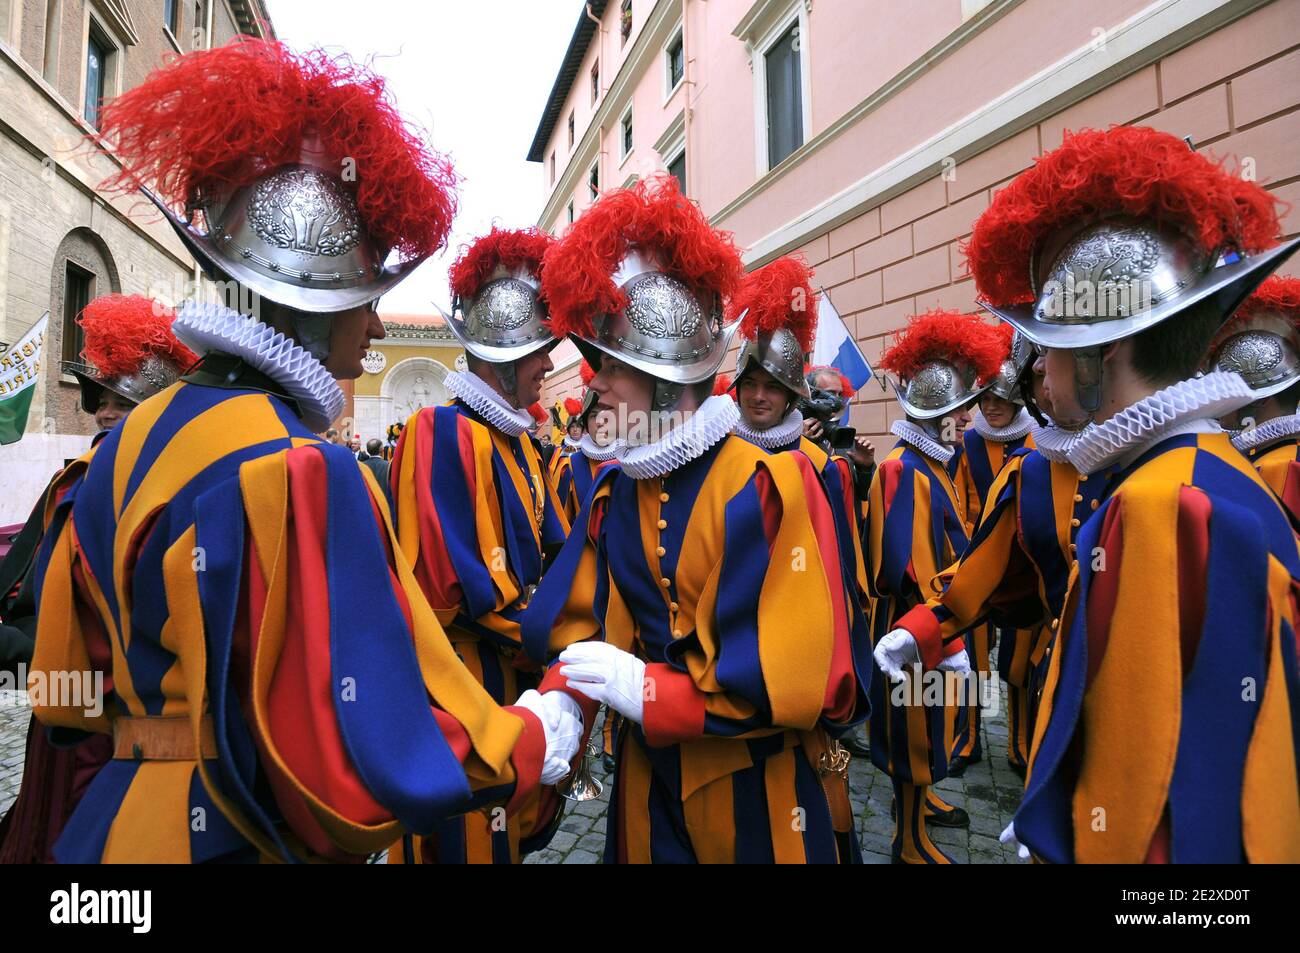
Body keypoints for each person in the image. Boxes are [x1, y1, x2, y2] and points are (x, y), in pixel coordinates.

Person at [27, 39, 580, 863]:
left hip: (113, 829)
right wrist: (533, 734)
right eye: (369, 300)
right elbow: (349, 764)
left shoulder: (131, 436)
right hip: (233, 829)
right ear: (318, 307)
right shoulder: (299, 466)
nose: (380, 327)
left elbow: (60, 694)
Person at [962, 125, 1300, 863]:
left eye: (1051, 349)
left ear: (1099, 358)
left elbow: (1149, 783)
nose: (1039, 377)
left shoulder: (1158, 503)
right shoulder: (1209, 471)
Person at [523, 176, 866, 864]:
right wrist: (558, 705)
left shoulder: (768, 484)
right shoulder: (615, 492)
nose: (591, 384)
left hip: (756, 793)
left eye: (608, 364)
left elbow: (788, 679)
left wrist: (646, 689)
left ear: (663, 376)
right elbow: (578, 625)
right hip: (648, 789)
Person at [388, 226, 573, 863]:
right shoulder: (439, 431)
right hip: (465, 681)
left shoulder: (522, 439)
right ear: (503, 356)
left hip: (515, 669)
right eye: (539, 353)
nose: (549, 366)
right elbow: (450, 585)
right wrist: (563, 642)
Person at [0, 294, 194, 864]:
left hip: (115, 714)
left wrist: (23, 655)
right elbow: (26, 575)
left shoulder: (169, 492)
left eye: (122, 402)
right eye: (101, 400)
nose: (105, 413)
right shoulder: (75, 479)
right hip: (60, 711)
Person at [725, 255, 875, 831]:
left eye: (773, 387)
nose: (759, 397)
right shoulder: (717, 459)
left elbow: (840, 574)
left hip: (801, 653)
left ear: (792, 395)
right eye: (751, 384)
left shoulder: (820, 466)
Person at [867, 308, 1006, 863]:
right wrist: (938, 635)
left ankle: (924, 804)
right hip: (914, 630)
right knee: (912, 734)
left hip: (933, 628)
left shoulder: (935, 463)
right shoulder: (903, 468)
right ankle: (907, 841)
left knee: (933, 726)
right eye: (959, 411)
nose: (968, 418)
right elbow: (900, 567)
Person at [947, 327, 1038, 775]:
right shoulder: (968, 443)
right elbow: (960, 501)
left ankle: (1020, 742)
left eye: (1001, 399)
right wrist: (969, 558)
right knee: (974, 657)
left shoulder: (1038, 443)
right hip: (979, 561)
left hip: (1025, 567)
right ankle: (967, 738)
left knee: (1018, 663)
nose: (991, 406)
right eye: (985, 399)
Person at [1208, 275, 1300, 523]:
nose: (1218, 409)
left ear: (1258, 399)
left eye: (1224, 397)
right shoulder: (1271, 456)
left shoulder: (1281, 466)